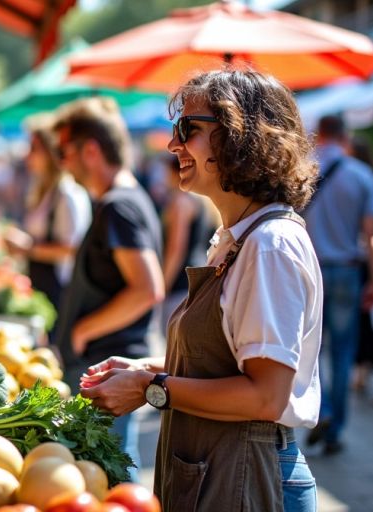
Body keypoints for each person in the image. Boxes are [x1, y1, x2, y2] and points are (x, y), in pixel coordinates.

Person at [80, 69, 322, 511]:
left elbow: (265, 395)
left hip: (251, 473)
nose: (173, 144)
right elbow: (229, 360)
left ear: (240, 138)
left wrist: (150, 386)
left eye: (188, 130)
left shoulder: (269, 245)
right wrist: (147, 366)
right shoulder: (240, 239)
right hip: (225, 468)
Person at [51, 97, 165, 482]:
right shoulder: (119, 203)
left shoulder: (119, 206)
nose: (61, 162)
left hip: (106, 364)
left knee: (112, 477)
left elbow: (148, 289)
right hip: (106, 364)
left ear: (91, 150)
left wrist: (83, 330)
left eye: (64, 151)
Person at [302, 115, 373, 455]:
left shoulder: (302, 172)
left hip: (309, 271)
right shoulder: (361, 175)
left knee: (310, 350)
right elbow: (371, 233)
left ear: (319, 137)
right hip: (348, 270)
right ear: (345, 137)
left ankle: (321, 410)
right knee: (343, 352)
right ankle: (335, 429)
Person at [4, 126, 92, 320]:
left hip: (59, 292)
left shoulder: (67, 194)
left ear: (50, 151)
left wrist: (28, 248)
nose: (28, 155)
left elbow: (71, 249)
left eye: (34, 148)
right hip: (41, 287)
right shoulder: (42, 188)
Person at [159, 154, 214, 329]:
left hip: (179, 286)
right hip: (196, 280)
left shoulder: (180, 202)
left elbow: (176, 248)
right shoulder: (203, 201)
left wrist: (163, 286)